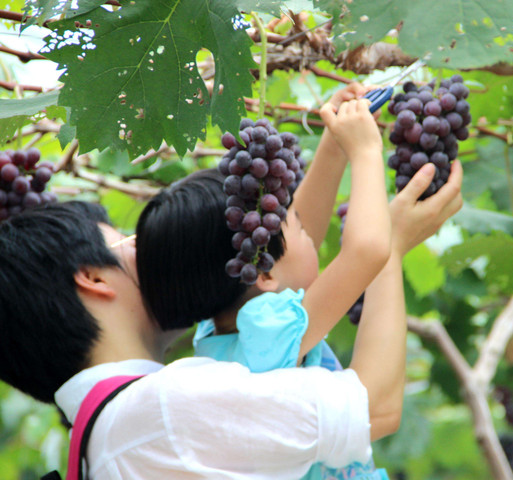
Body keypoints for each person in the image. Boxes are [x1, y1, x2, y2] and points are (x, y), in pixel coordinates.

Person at [135, 86, 464, 478]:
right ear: (264, 273)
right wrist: (365, 155)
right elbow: (367, 252)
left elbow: (287, 245)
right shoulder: (265, 331)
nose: (306, 228)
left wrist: (334, 145)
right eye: (292, 224)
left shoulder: (225, 329)